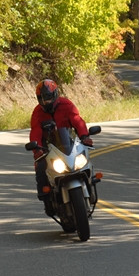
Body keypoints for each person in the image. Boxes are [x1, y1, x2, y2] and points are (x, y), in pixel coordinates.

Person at [29, 79, 93, 216]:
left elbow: (77, 120)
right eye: (42, 99)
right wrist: (37, 149)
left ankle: (90, 182)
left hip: (67, 142)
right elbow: (35, 131)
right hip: (47, 146)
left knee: (84, 155)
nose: (46, 102)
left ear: (55, 94)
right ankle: (46, 198)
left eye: (48, 97)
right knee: (40, 166)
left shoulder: (66, 105)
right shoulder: (37, 112)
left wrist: (84, 136)